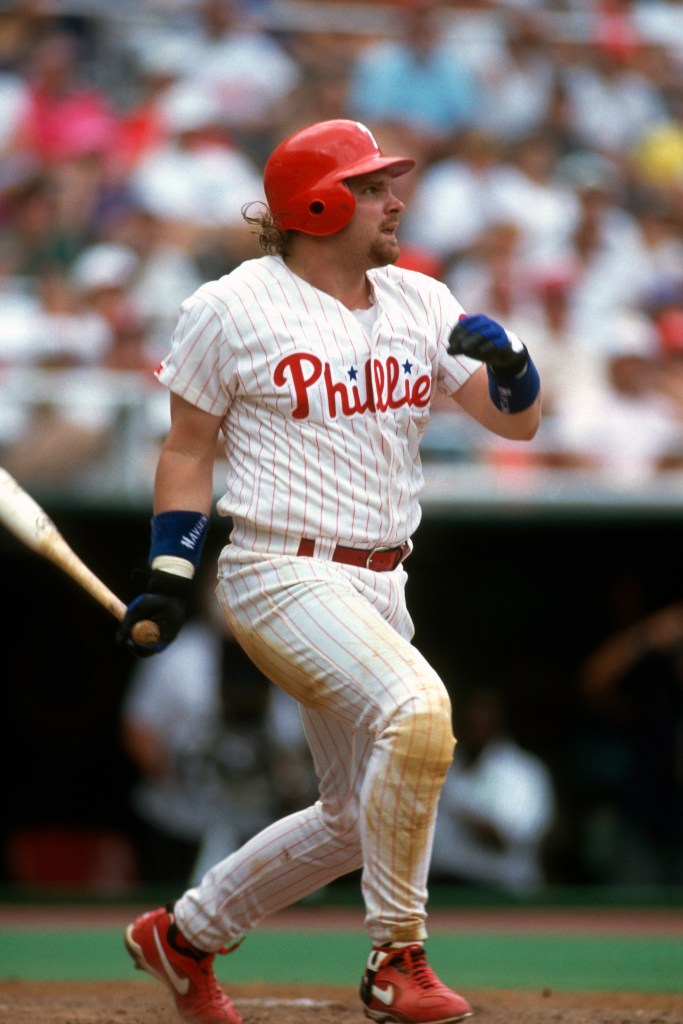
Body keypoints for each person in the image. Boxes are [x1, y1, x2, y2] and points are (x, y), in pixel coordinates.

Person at [117, 118, 542, 1024]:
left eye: (390, 184)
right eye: (373, 186)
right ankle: (396, 956)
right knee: (418, 712)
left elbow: (516, 424)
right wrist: (169, 568)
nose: (395, 200)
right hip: (279, 571)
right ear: (318, 202)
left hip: (384, 582)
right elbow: (188, 450)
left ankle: (185, 936)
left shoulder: (420, 302)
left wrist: (514, 364)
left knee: (354, 817)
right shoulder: (229, 307)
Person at [429, 688, 557, 894]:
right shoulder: (441, 766)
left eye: (483, 719)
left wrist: (461, 810)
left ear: (499, 722)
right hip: (443, 888)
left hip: (501, 893)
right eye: (469, 720)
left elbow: (504, 841)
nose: (475, 725)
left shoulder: (524, 772)